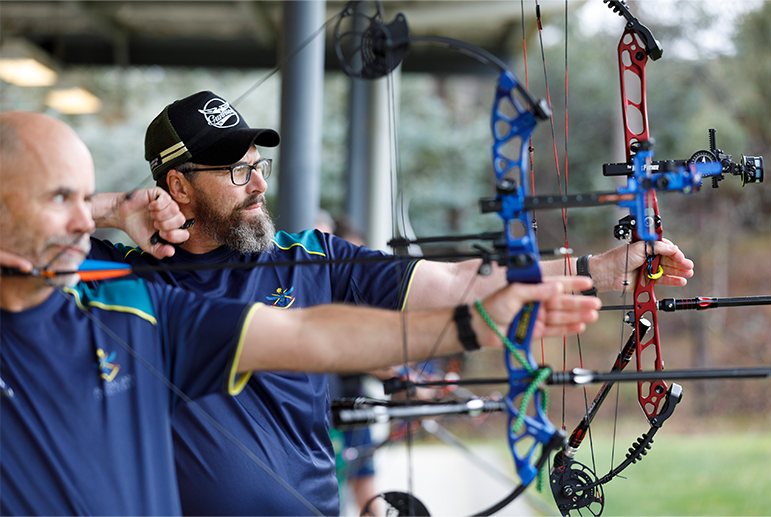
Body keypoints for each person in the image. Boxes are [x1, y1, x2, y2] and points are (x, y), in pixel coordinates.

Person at [87, 91, 693, 515]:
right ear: (178, 186)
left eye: (258, 166)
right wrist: (114, 209)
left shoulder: (309, 258)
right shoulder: (116, 285)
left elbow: (457, 284)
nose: (260, 185)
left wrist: (599, 269)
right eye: (236, 172)